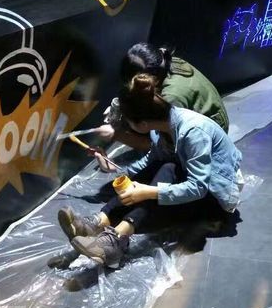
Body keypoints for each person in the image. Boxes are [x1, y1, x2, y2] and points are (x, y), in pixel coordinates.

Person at [58, 73, 243, 268]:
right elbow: (149, 162)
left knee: (165, 171)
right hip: (190, 181)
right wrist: (113, 167)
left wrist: (149, 192)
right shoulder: (160, 129)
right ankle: (97, 222)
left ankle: (116, 240)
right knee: (156, 170)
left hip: (214, 198)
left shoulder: (193, 132)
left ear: (143, 124)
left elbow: (199, 187)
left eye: (128, 122)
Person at [90, 43, 229, 153]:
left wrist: (117, 134)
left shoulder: (171, 98)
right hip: (204, 119)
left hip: (210, 140)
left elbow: (155, 146)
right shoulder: (162, 61)